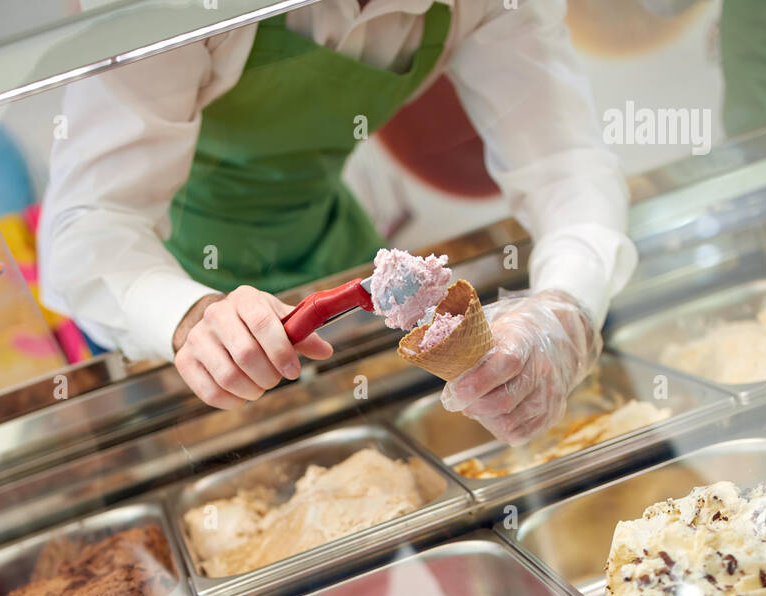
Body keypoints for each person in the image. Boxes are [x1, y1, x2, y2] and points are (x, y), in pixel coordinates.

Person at [38, 0, 637, 444]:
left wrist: (565, 309)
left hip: (331, 256)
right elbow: (90, 223)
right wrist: (189, 315)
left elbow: (565, 165)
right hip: (164, 290)